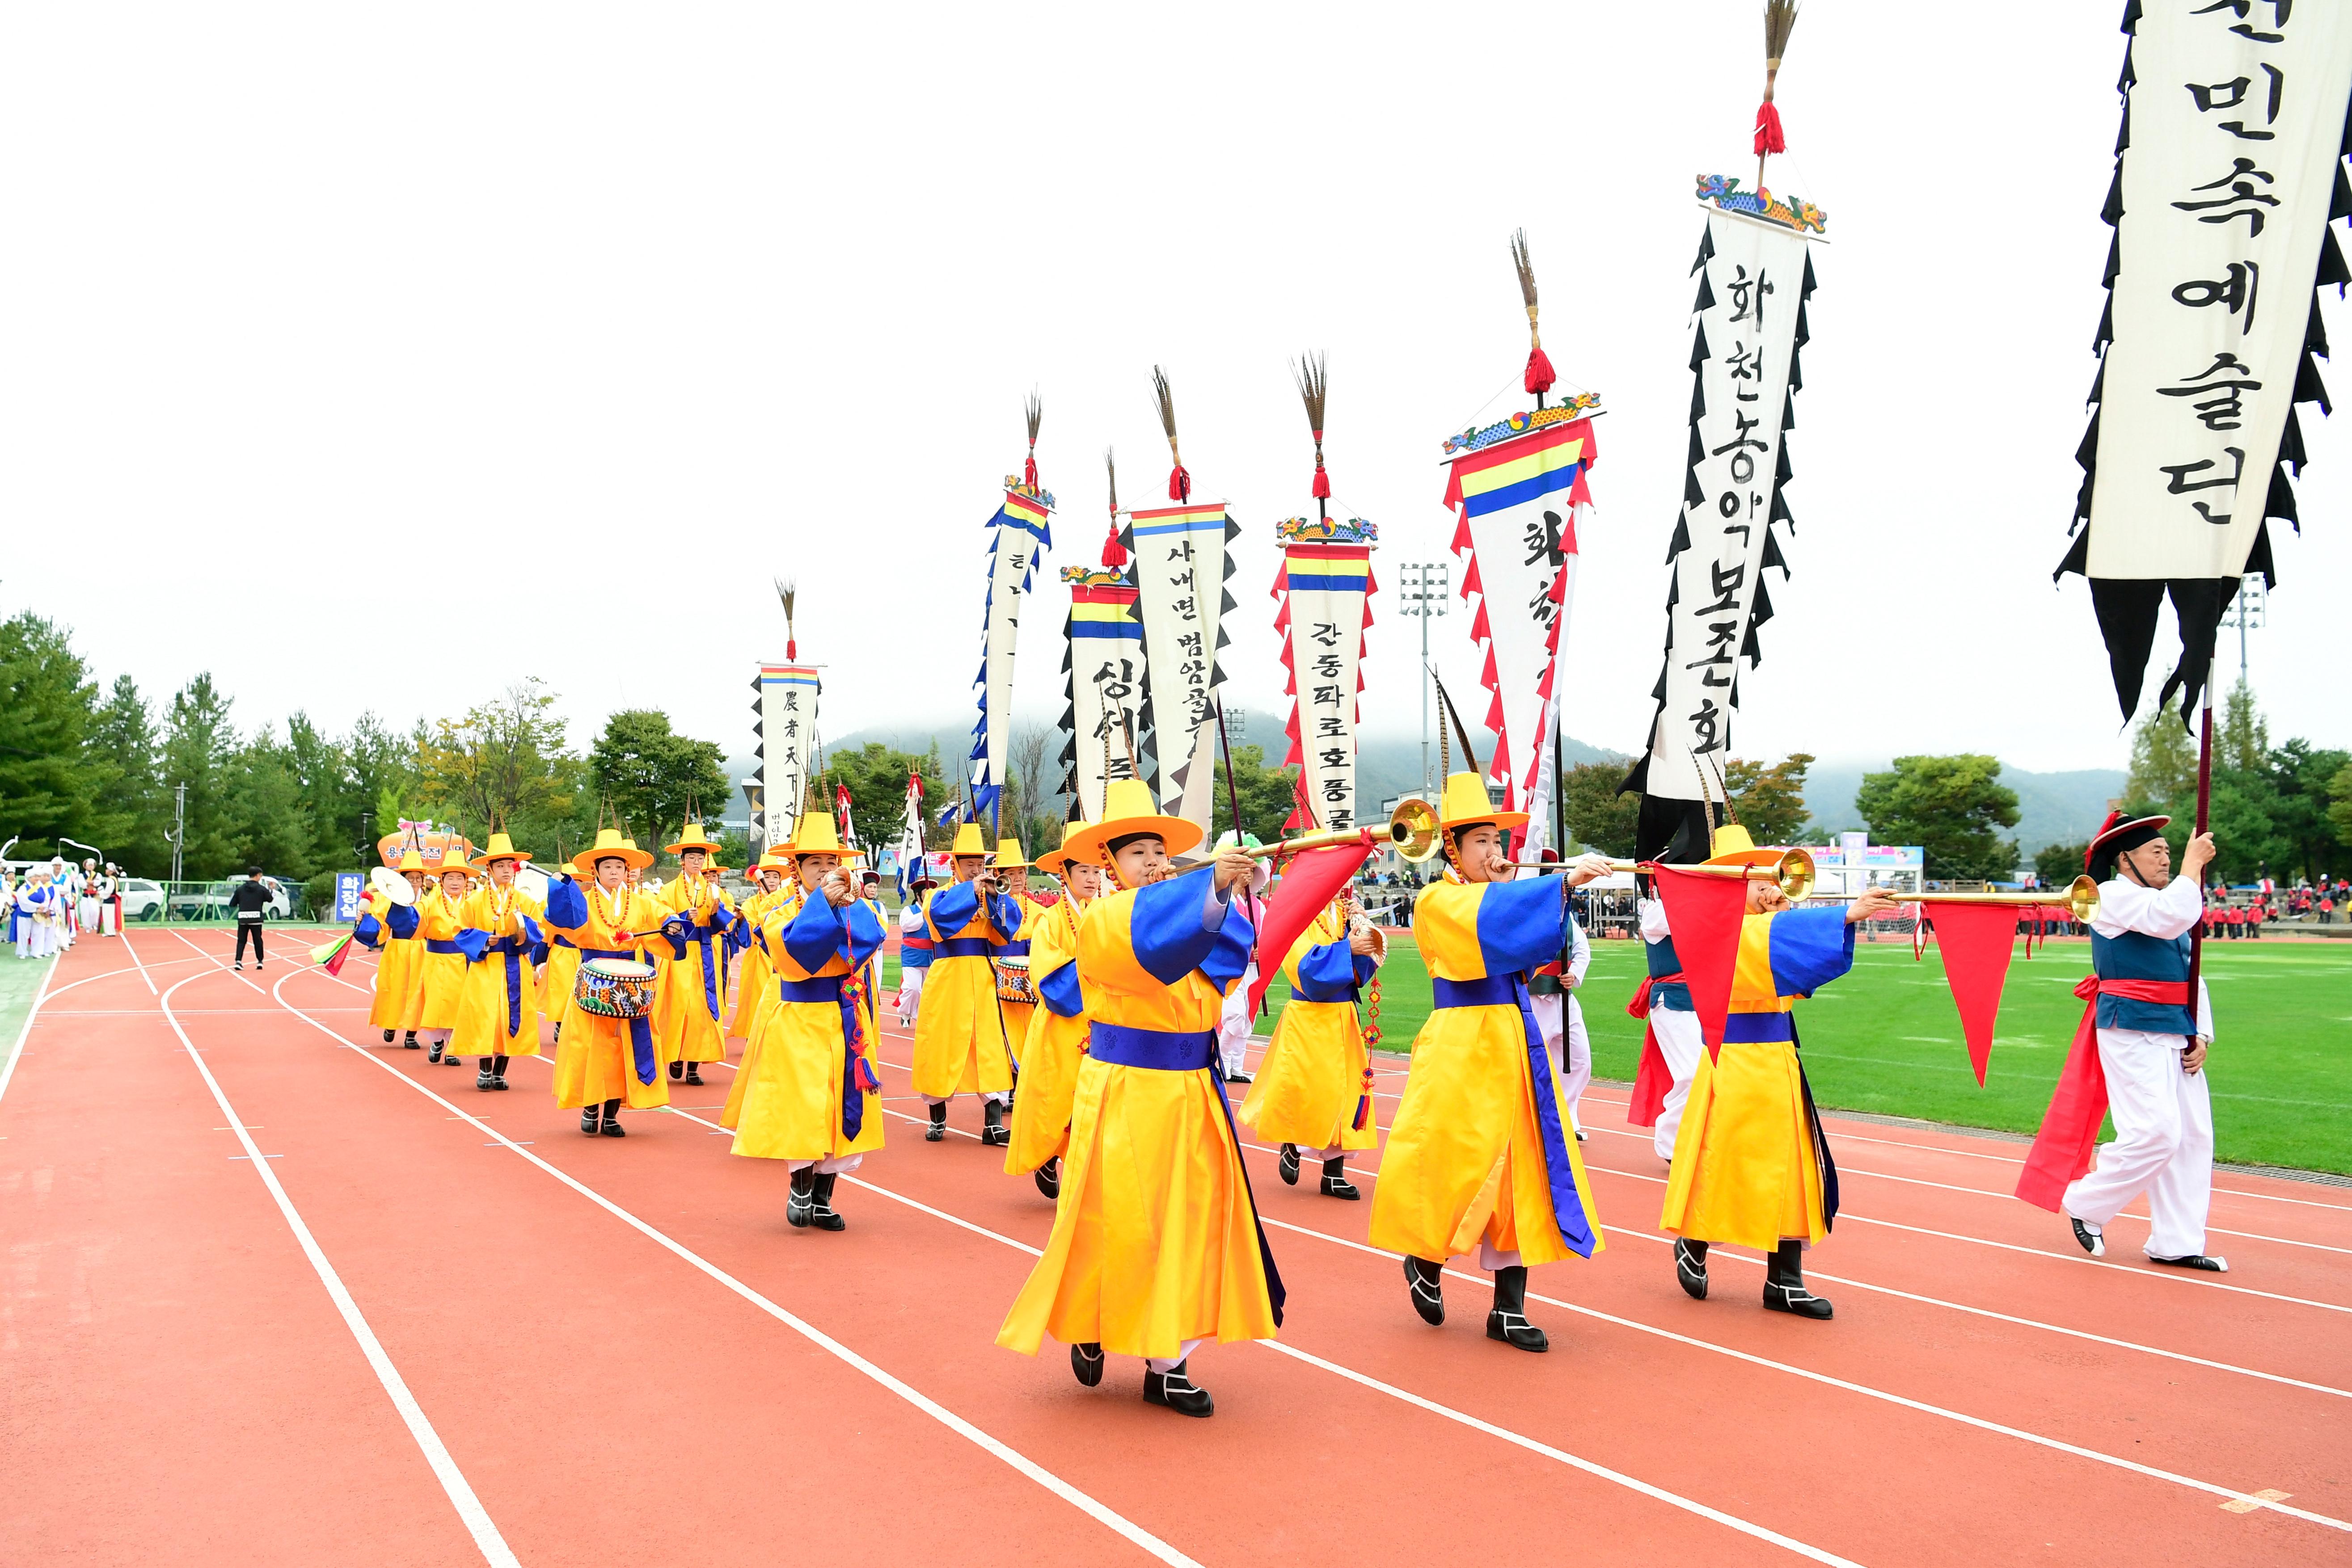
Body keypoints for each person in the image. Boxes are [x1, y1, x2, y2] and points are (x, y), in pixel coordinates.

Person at [996, 778, 1276, 1418]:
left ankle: (1168, 1363)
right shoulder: (1103, 921)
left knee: (1189, 1220)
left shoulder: (1185, 910)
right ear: (1109, 868)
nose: (1153, 864)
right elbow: (1158, 945)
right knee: (1117, 1217)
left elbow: (1225, 954)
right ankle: (1094, 1319)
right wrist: (1209, 891)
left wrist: (1232, 893)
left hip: (1193, 1092)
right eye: (1137, 854)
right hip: (1125, 1092)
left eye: (1160, 852)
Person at [1368, 772, 1611, 1353]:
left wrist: (1536, 897)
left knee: (1521, 1168)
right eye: (1481, 843)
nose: (1494, 854)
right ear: (1451, 848)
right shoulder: (1436, 900)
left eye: (1497, 844)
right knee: (1457, 1161)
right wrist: (1558, 885)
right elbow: (1482, 926)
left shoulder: (1489, 896)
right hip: (1463, 1040)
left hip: (1513, 1035)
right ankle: (1425, 1258)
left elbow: (1528, 955)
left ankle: (1509, 1307)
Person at [1660, 824, 1899, 1321]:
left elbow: (1791, 973)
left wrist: (1813, 915)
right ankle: (1695, 1242)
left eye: (1773, 874)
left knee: (1793, 1167)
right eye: (1759, 877)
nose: (1772, 884)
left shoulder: (1768, 923)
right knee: (1724, 1163)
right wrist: (1845, 914)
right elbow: (1759, 947)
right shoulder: (1714, 928)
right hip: (1733, 1060)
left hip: (1777, 1058)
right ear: (1729, 882)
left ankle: (1784, 1279)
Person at [2018, 814, 2226, 1271]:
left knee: (2192, 1138)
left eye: (2171, 852)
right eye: (2157, 851)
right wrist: (2192, 867)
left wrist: (2202, 1034)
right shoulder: (2107, 896)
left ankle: (2177, 1240)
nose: (2167, 858)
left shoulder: (2168, 897)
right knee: (2154, 1131)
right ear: (2124, 859)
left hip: (2176, 1028)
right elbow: (2167, 917)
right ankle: (2084, 1201)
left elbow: (2193, 977)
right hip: (2131, 1025)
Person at [729, 811, 884, 1229]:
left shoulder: (858, 907)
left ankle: (822, 1198)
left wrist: (843, 907)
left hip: (844, 1017)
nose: (825, 871)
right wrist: (825, 906)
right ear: (797, 869)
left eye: (831, 864)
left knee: (842, 1103)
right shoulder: (777, 909)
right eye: (814, 864)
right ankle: (800, 1186)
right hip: (798, 1017)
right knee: (802, 1105)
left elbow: (869, 942)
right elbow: (795, 954)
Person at [1239, 885, 1384, 1200]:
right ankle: (1292, 1142)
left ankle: (1333, 1173)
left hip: (1343, 1015)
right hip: (1309, 1016)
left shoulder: (1345, 911)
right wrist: (1349, 949)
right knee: (1312, 1089)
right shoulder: (1298, 917)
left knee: (1347, 1092)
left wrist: (1363, 931)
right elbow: (1304, 967)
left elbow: (1362, 968)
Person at [542, 828, 686, 1136]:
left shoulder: (640, 902)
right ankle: (590, 1105)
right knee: (590, 1045)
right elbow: (560, 919)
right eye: (607, 867)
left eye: (619, 867)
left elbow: (661, 915)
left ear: (627, 871)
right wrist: (560, 891)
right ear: (594, 870)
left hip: (629, 984)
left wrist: (670, 924)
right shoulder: (583, 901)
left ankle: (611, 1113)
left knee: (623, 1048)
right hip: (594, 980)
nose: (614, 872)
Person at [1003, 820, 1099, 1200]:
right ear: (1066, 874)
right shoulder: (1050, 919)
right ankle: (1046, 1156)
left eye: (1096, 871)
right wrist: (1098, 966)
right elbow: (1050, 978)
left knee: (1090, 1100)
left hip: (1097, 1021)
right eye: (1084, 871)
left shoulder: (1103, 911)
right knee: (1057, 1097)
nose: (1092, 879)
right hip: (1063, 1023)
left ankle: (1082, 1172)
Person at [910, 820, 1022, 1146]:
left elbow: (1008, 929)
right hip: (948, 976)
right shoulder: (937, 895)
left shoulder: (990, 893)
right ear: (954, 865)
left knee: (989, 1046)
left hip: (984, 975)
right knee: (940, 1045)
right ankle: (937, 1117)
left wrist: (993, 898)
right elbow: (941, 919)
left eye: (981, 864)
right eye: (970, 864)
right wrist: (971, 891)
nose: (977, 870)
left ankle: (993, 1124)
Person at [450, 833, 546, 1092]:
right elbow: (460, 932)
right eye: (500, 866)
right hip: (486, 966)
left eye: (510, 866)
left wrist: (524, 936)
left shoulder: (525, 901)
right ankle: (484, 1068)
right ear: (489, 869)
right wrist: (483, 939)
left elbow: (538, 930)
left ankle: (500, 1071)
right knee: (486, 1018)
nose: (506, 871)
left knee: (511, 1019)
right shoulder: (474, 902)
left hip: (516, 964)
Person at [1626, 872, 1706, 1163]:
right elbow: (1694, 920)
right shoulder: (1658, 910)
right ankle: (1671, 1144)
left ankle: (1695, 1139)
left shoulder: (1690, 906)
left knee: (1706, 1073)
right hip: (1672, 1001)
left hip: (1700, 1000)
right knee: (1690, 1073)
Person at [653, 821, 736, 1087]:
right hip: (680, 952)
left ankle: (693, 1065)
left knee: (701, 1009)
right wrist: (679, 918)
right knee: (679, 1006)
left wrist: (714, 913)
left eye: (700, 858)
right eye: (691, 858)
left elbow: (723, 920)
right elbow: (661, 916)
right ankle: (676, 1054)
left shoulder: (713, 889)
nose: (696, 863)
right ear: (682, 860)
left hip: (705, 953)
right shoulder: (669, 889)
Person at [1526, 877, 1594, 1139]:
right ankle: (1536, 1119)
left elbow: (1582, 950)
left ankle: (1565, 1116)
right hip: (1533, 1002)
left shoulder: (1567, 919)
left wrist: (1573, 974)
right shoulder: (1524, 915)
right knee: (1535, 1062)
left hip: (1563, 1000)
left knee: (1579, 1059)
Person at [353, 848, 432, 1047]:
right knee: (394, 990)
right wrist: (364, 921)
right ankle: (391, 1025)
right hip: (397, 950)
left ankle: (411, 1034)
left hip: (422, 950)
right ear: (403, 880)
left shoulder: (429, 902)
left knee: (418, 992)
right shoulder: (391, 901)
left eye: (418, 878)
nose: (415, 882)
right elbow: (380, 927)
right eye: (410, 878)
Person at [1209, 829, 1267, 1083]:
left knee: (1246, 1018)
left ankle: (1237, 1066)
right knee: (1232, 1015)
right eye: (1242, 867)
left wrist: (1260, 948)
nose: (1247, 874)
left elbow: (1266, 935)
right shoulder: (1224, 900)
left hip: (1252, 967)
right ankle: (1222, 1062)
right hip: (1229, 967)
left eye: (1251, 869)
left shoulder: (1258, 905)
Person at [405, 857, 476, 1063]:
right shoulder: (429, 902)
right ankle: (438, 1041)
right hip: (437, 960)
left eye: (459, 878)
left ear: (466, 881)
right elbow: (415, 921)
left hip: (465, 961)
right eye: (451, 878)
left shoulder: (472, 903)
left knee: (460, 1004)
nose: (455, 882)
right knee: (438, 1003)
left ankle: (453, 1047)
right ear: (442, 880)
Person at [990, 837, 1045, 1089]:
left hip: (1027, 980)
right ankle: (1006, 1085)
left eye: (1022, 872)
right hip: (996, 974)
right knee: (1001, 1032)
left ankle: (1023, 1082)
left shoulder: (1038, 910)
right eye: (1011, 873)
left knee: (1028, 1030)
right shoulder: (990, 906)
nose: (1020, 877)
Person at [726, 850, 794, 1044]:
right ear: (759, 880)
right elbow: (747, 938)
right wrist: (740, 920)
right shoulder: (751, 904)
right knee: (757, 1001)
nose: (772, 881)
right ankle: (754, 1039)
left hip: (783, 957)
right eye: (768, 876)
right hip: (759, 958)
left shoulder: (787, 901)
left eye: (775, 877)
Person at [895, 864, 938, 1025]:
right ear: (918, 896)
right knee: (913, 988)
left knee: (929, 990)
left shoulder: (936, 910)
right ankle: (906, 1012)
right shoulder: (909, 910)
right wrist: (925, 913)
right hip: (912, 954)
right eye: (926, 894)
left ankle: (923, 1017)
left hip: (931, 954)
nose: (929, 897)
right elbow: (908, 926)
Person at [228, 867, 274, 971]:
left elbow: (232, 904)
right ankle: (260, 961)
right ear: (257, 875)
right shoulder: (262, 889)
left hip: (243, 918)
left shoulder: (240, 889)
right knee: (258, 940)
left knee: (241, 941)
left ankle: (238, 961)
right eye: (261, 876)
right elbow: (270, 899)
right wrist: (272, 890)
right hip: (256, 918)